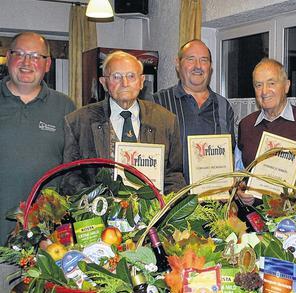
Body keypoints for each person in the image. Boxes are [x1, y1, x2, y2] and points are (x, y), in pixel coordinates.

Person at [0, 32, 75, 289]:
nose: (26, 61)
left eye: (35, 56)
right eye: (19, 53)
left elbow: (72, 172)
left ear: (47, 64)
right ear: (7, 58)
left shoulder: (65, 107)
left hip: (45, 243)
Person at [62, 51, 185, 195]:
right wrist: (97, 203)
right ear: (104, 83)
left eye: (131, 76)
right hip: (100, 213)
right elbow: (70, 177)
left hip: (153, 212)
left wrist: (165, 207)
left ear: (141, 81)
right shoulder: (78, 122)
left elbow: (174, 175)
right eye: (116, 77)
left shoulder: (166, 121)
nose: (125, 83)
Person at [150, 39, 235, 183]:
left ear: (210, 66)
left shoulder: (223, 106)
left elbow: (230, 154)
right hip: (173, 200)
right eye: (191, 59)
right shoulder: (158, 103)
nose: (198, 66)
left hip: (215, 199)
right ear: (178, 64)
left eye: (204, 60)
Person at [235, 58, 296, 204]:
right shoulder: (246, 125)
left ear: (286, 86)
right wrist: (240, 191)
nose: (264, 91)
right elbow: (239, 174)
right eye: (258, 85)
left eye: (271, 83)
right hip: (255, 220)